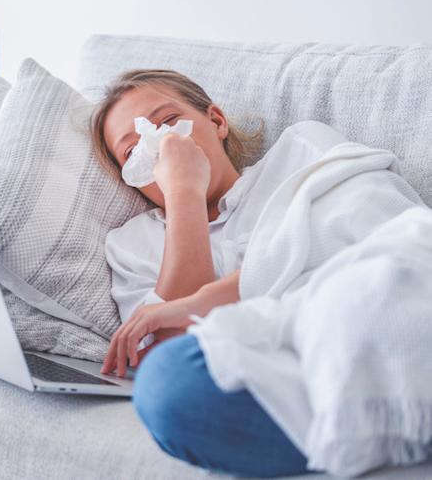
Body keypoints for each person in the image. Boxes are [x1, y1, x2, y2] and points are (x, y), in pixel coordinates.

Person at [90, 69, 321, 477]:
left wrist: (202, 301)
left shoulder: (300, 152)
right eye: (132, 152)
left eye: (165, 124)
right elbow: (178, 350)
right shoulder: (131, 245)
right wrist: (185, 196)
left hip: (347, 316)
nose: (159, 146)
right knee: (166, 383)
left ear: (216, 122)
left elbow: (367, 236)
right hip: (280, 379)